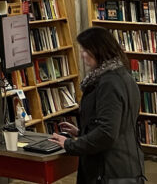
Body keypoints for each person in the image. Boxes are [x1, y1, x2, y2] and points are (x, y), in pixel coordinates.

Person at [49, 26, 144, 183]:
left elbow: (107, 134)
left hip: (109, 170)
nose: (82, 55)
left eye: (85, 50)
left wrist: (71, 145)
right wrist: (82, 132)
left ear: (98, 50)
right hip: (123, 165)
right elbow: (117, 124)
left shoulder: (109, 83)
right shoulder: (123, 76)